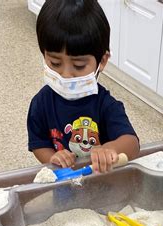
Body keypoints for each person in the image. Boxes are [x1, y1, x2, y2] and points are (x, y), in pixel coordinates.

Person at [27, 0, 139, 173]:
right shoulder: (41, 103)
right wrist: (52, 158)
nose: (65, 74)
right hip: (64, 184)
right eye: (55, 63)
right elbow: (38, 144)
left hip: (102, 184)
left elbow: (132, 144)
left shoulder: (105, 105)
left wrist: (110, 149)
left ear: (102, 61)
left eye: (79, 66)